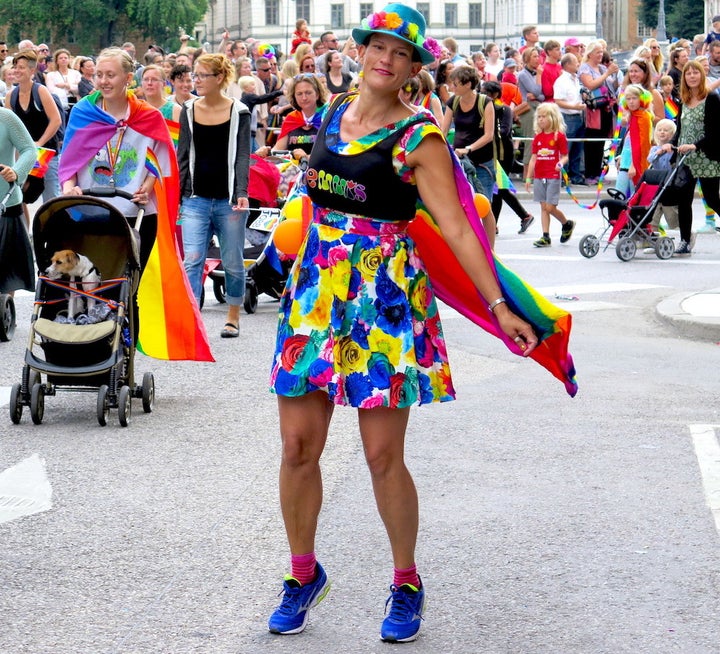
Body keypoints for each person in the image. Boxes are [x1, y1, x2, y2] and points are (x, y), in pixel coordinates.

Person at [266, 3, 547, 643]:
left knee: (382, 454)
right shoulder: (333, 113)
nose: (385, 59)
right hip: (316, 292)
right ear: (362, 51)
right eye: (377, 47)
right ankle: (302, 574)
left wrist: (500, 305)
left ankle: (405, 583)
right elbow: (317, 191)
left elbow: (458, 228)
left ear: (413, 67)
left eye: (400, 52)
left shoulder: (420, 138)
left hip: (383, 299)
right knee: (297, 448)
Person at [59, 47, 211, 361]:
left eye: (110, 75)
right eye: (99, 74)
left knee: (128, 286)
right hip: (90, 213)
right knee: (86, 281)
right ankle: (85, 347)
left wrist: (146, 187)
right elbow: (69, 159)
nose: (103, 81)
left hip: (138, 214)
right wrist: (69, 186)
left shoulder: (148, 116)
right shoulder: (83, 112)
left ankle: (124, 355)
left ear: (129, 79)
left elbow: (160, 157)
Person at [177, 53, 251, 337]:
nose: (195, 81)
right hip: (194, 199)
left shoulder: (239, 112)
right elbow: (182, 154)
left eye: (201, 76)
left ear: (219, 78)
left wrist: (242, 191)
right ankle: (193, 320)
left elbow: (243, 155)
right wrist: (179, 195)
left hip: (229, 199)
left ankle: (233, 315)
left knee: (232, 261)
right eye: (193, 76)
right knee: (192, 260)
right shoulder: (188, 109)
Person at [660, 60, 720, 252]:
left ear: (702, 76)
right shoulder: (683, 100)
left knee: (712, 199)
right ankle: (685, 240)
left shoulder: (711, 98)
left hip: (706, 157)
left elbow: (715, 133)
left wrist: (695, 145)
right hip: (685, 157)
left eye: (696, 73)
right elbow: (681, 128)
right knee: (684, 200)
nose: (692, 76)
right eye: (688, 73)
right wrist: (672, 143)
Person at [9, 49, 63, 215]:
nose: (17, 70)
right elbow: (10, 127)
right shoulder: (11, 96)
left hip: (46, 153)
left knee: (52, 197)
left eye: (22, 67)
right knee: (21, 194)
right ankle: (26, 235)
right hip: (25, 154)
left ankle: (54, 236)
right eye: (15, 67)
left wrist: (39, 143)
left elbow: (56, 120)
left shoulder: (40, 91)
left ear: (32, 71)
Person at [483, 81, 535, 234]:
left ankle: (519, 217)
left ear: (494, 95)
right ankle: (519, 217)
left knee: (500, 189)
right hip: (491, 153)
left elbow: (504, 131)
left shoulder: (504, 110)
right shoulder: (483, 108)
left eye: (485, 93)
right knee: (498, 190)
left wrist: (487, 132)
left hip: (503, 154)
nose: (482, 96)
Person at [441, 65, 496, 204]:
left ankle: (489, 227)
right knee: (463, 204)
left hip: (482, 162)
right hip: (461, 162)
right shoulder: (453, 102)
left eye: (456, 84)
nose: (452, 87)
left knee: (483, 205)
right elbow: (444, 130)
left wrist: (468, 148)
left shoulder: (485, 102)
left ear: (468, 84)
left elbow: (489, 135)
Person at [0, 107, 39, 300]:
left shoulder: (5, 117)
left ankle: (4, 313)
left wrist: (16, 172)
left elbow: (29, 149)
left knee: (5, 272)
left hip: (6, 204)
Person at [525, 102, 574, 247]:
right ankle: (545, 236)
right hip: (540, 176)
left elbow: (565, 156)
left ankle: (566, 224)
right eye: (538, 117)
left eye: (543, 117)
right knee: (543, 207)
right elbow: (533, 158)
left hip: (553, 175)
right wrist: (529, 177)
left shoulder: (559, 136)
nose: (540, 120)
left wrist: (560, 163)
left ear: (552, 118)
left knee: (550, 207)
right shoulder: (538, 137)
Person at [579, 40, 618, 185]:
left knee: (601, 142)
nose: (601, 55)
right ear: (590, 54)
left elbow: (610, 86)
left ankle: (597, 172)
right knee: (592, 143)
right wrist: (608, 73)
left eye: (602, 52)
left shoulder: (601, 68)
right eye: (598, 52)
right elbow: (590, 84)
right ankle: (590, 174)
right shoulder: (585, 68)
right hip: (593, 111)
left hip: (606, 109)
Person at [614, 84, 653, 199]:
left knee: (633, 197)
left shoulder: (644, 117)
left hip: (635, 164)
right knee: (619, 195)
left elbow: (643, 144)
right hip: (626, 161)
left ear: (641, 99)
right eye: (628, 99)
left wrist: (634, 165)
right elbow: (629, 141)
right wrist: (622, 155)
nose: (631, 102)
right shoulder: (633, 116)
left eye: (634, 98)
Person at [553, 53, 586, 185]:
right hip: (567, 116)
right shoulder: (561, 81)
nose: (578, 64)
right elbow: (558, 101)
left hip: (578, 116)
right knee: (566, 148)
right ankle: (563, 177)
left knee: (577, 148)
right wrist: (574, 106)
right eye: (575, 62)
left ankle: (575, 175)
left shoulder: (576, 79)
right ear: (567, 65)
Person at [517, 47, 545, 180]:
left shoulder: (534, 73)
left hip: (536, 106)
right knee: (531, 139)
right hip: (527, 109)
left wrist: (536, 94)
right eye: (534, 56)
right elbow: (537, 90)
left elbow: (542, 96)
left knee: (538, 139)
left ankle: (534, 172)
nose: (537, 59)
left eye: (538, 56)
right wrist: (539, 76)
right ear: (527, 58)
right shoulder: (523, 74)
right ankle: (527, 174)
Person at [648, 119, 680, 232]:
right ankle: (652, 238)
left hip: (670, 185)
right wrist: (659, 153)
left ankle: (688, 234)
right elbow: (650, 159)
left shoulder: (674, 151)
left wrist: (671, 151)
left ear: (672, 134)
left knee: (672, 218)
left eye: (666, 130)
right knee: (653, 216)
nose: (662, 132)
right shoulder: (654, 149)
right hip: (657, 186)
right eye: (660, 130)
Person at [623, 58, 664, 124]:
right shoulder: (625, 93)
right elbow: (622, 120)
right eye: (631, 71)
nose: (633, 74)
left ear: (645, 73)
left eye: (636, 71)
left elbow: (661, 119)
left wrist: (644, 114)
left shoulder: (653, 93)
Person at [46, 48, 81, 115]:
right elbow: (52, 91)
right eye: (61, 58)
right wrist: (72, 86)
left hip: (75, 102)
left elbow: (79, 88)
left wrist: (66, 85)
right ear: (56, 61)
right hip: (60, 104)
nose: (63, 59)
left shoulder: (76, 73)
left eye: (65, 58)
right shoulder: (51, 75)